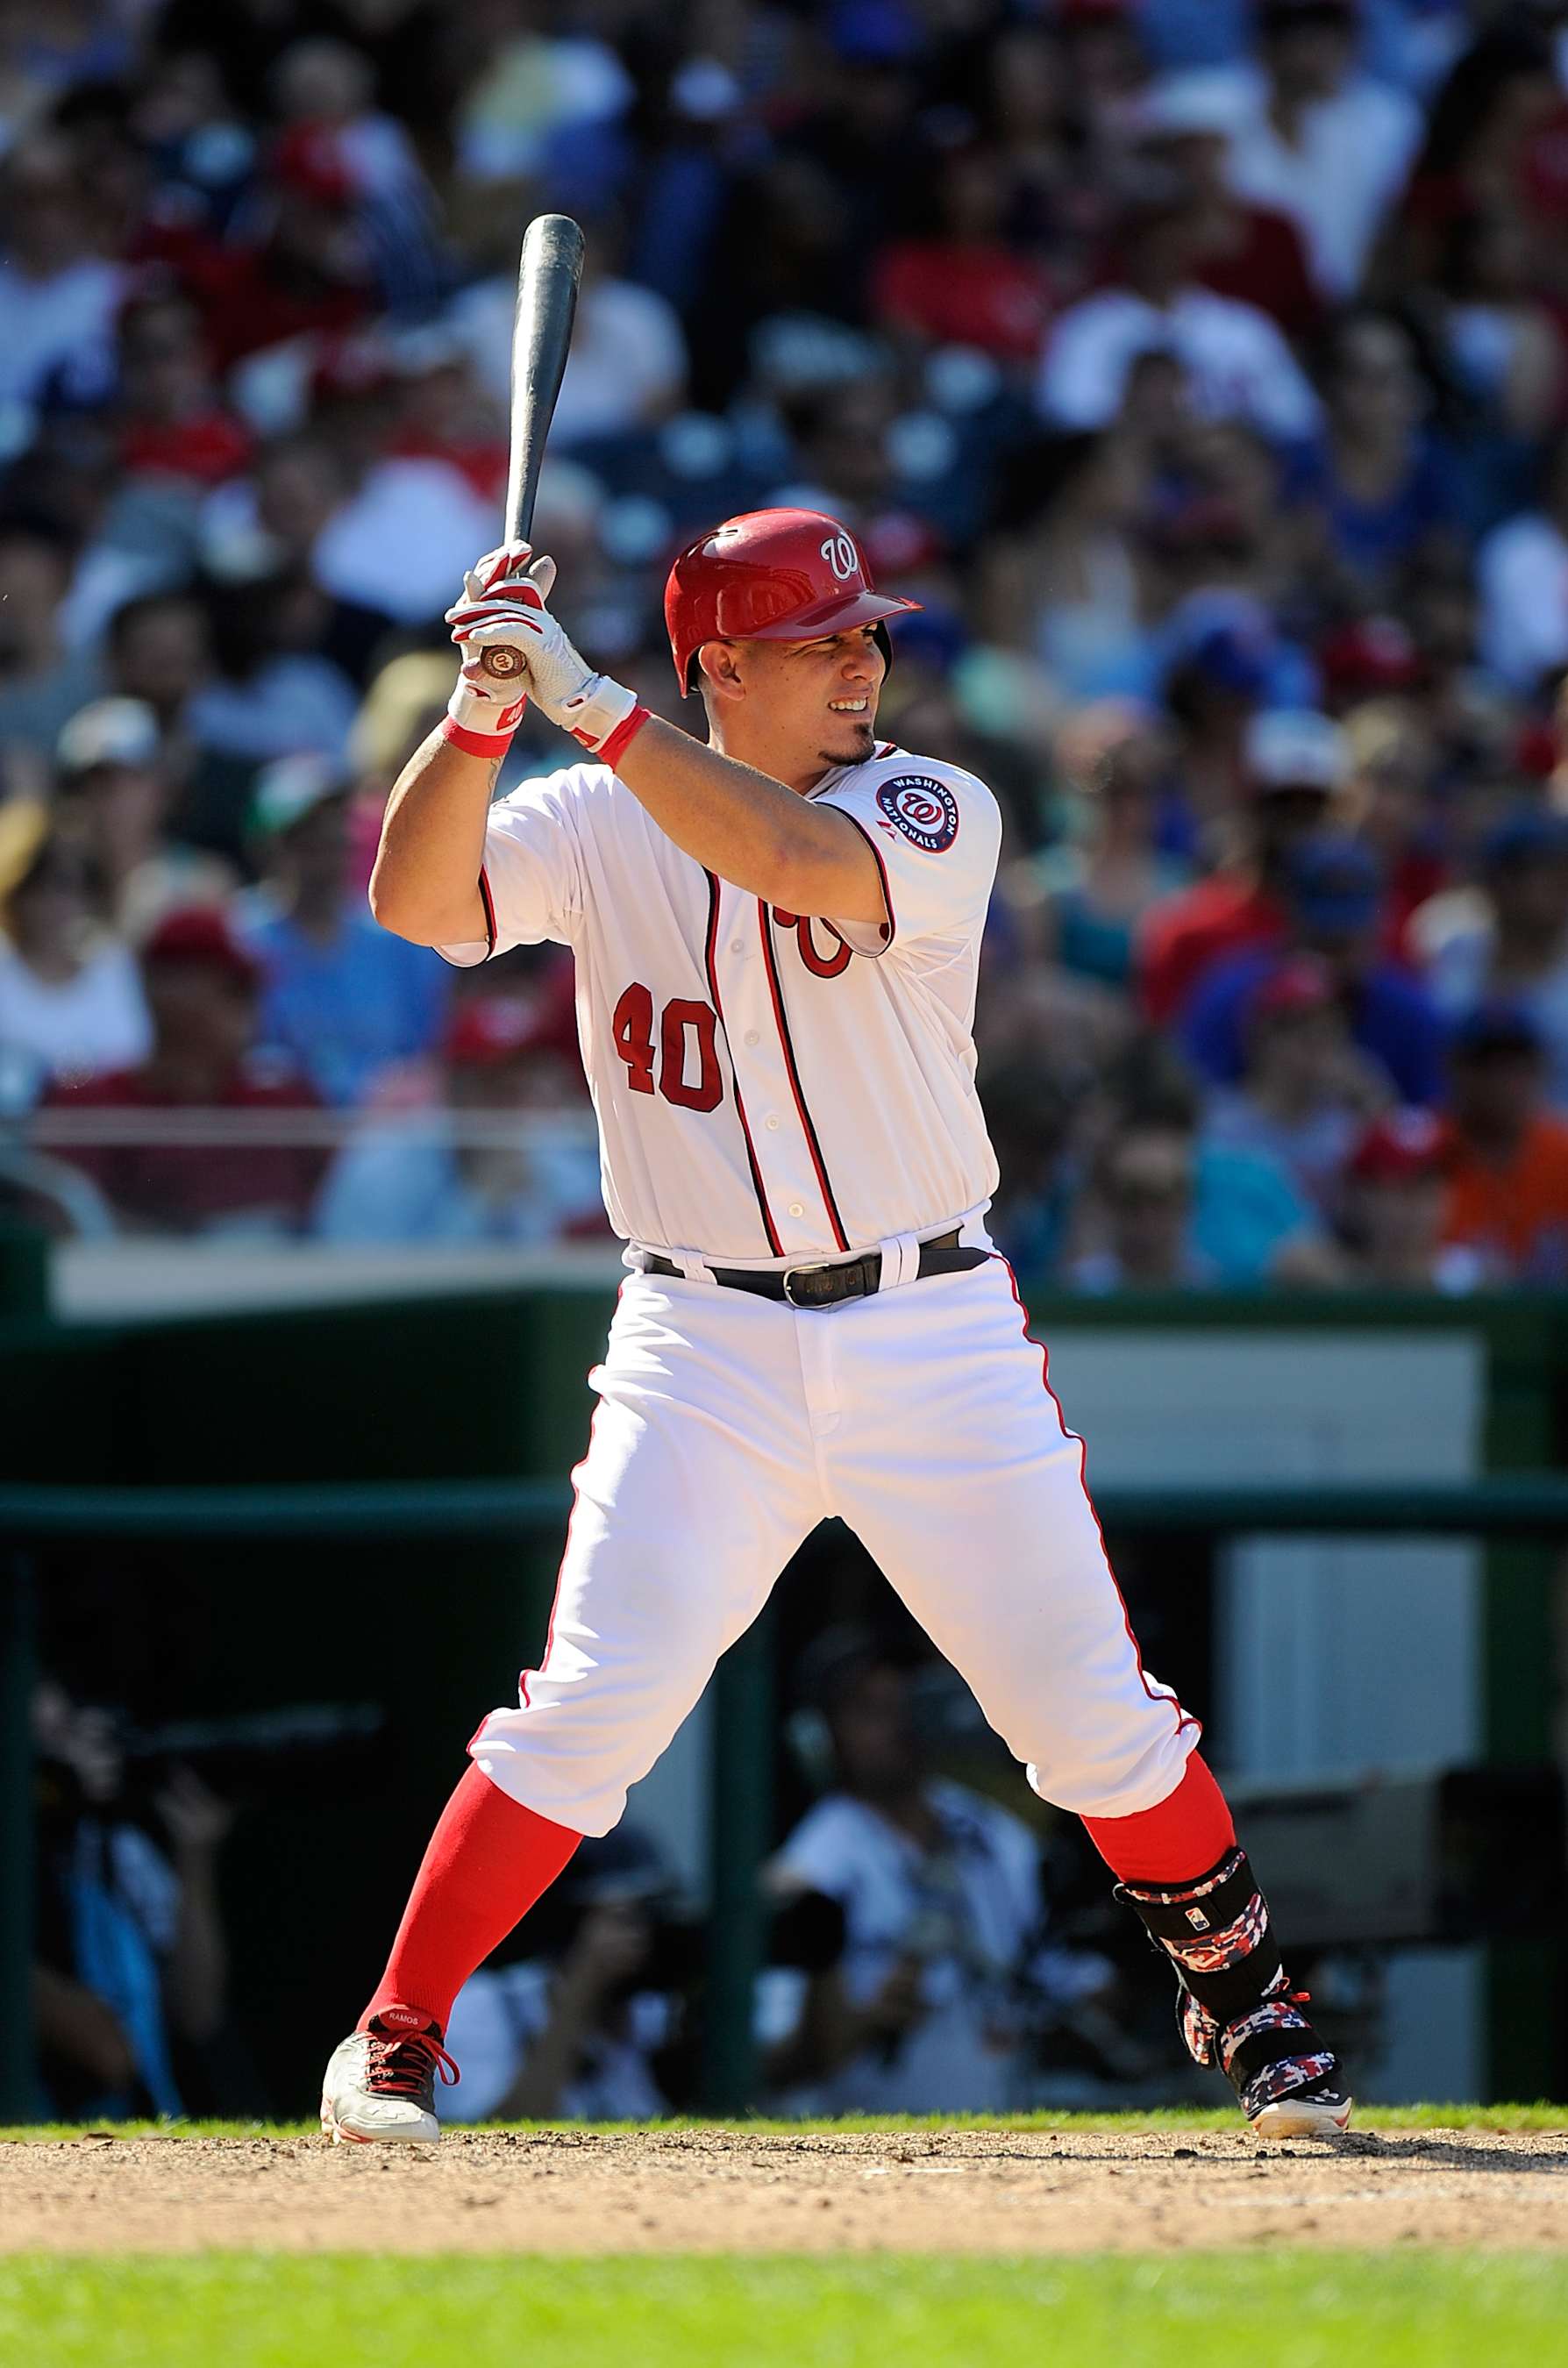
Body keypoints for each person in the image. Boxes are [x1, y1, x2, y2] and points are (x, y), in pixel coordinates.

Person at [319, 504, 1351, 2144]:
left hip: (926, 1321)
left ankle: (1255, 2009)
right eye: (822, 641)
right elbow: (419, 900)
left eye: (867, 634)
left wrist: (582, 698)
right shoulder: (592, 814)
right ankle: (394, 2033)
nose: (864, 663)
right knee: (587, 1707)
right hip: (700, 1338)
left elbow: (791, 862)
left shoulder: (928, 802)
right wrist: (482, 713)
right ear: (723, 665)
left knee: (1088, 1712)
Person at [765, 1637, 1115, 2114]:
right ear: (820, 1738)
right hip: (867, 2138)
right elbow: (768, 2056)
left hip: (1004, 2126)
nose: (899, 1726)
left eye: (905, 1706)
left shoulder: (994, 1834)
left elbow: (1040, 1964)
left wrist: (1090, 1990)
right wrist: (860, 2022)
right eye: (870, 1712)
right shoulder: (811, 1867)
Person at [42, 903, 324, 1235]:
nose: (248, 1008)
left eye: (249, 991)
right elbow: (68, 1226)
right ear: (160, 987)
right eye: (232, 989)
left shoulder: (284, 1102)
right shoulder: (91, 1107)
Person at [239, 752, 447, 1107]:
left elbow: (428, 1055)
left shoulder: (397, 941)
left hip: (387, 1128)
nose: (326, 848)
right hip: (277, 1126)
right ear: (273, 845)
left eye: (334, 830)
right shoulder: (242, 937)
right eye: (308, 837)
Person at [313, 994, 602, 1245]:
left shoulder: (548, 1149)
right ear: (457, 1085)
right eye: (498, 1084)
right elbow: (362, 1274)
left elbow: (584, 1239)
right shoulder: (386, 1162)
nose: (517, 1099)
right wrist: (481, 1202)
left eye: (526, 1078)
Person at [1182, 833, 1448, 1105]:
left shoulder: (1408, 1010)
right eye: (1323, 940)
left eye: (1346, 942)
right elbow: (1194, 1102)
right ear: (1290, 918)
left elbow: (1431, 1115)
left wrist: (1380, 1109)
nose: (1331, 960)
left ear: (1377, 930)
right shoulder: (1232, 994)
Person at [441, 1829, 679, 2123]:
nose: (641, 1937)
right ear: (570, 1922)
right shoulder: (483, 2005)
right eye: (624, 1919)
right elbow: (499, 2125)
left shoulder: (646, 2014)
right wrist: (584, 1985)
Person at [1137, 705, 1342, 1024]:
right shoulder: (1185, 928)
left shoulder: (1352, 932)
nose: (1297, 822)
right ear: (1248, 800)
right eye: (1282, 802)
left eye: (1313, 805)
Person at [0, 817, 149, 1094]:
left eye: (70, 887)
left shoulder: (114, 967)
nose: (55, 903)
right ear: (18, 893)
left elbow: (134, 1060)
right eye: (40, 885)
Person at [1440, 1003, 1568, 1283]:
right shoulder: (1426, 1154)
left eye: (1516, 1067)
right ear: (1456, 1070)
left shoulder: (1562, 1154)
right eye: (1486, 1066)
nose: (1503, 1082)